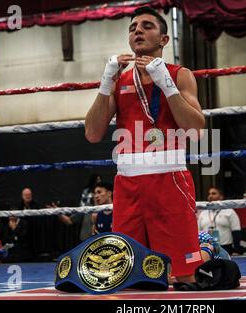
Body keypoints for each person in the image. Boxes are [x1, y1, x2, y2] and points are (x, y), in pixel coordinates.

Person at [84, 6, 205, 282]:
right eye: (133, 27)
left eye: (147, 26)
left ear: (164, 40)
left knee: (184, 275)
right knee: (129, 277)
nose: (137, 30)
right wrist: (105, 83)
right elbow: (92, 133)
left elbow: (196, 130)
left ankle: (210, 255)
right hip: (128, 187)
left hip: (169, 182)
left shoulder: (179, 74)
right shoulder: (119, 81)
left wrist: (167, 86)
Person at [198, 187, 241, 255]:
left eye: (214, 193)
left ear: (221, 197)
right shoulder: (203, 213)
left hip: (226, 247)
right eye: (209, 194)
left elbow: (236, 232)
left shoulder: (230, 211)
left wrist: (237, 250)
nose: (210, 196)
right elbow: (198, 232)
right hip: (207, 249)